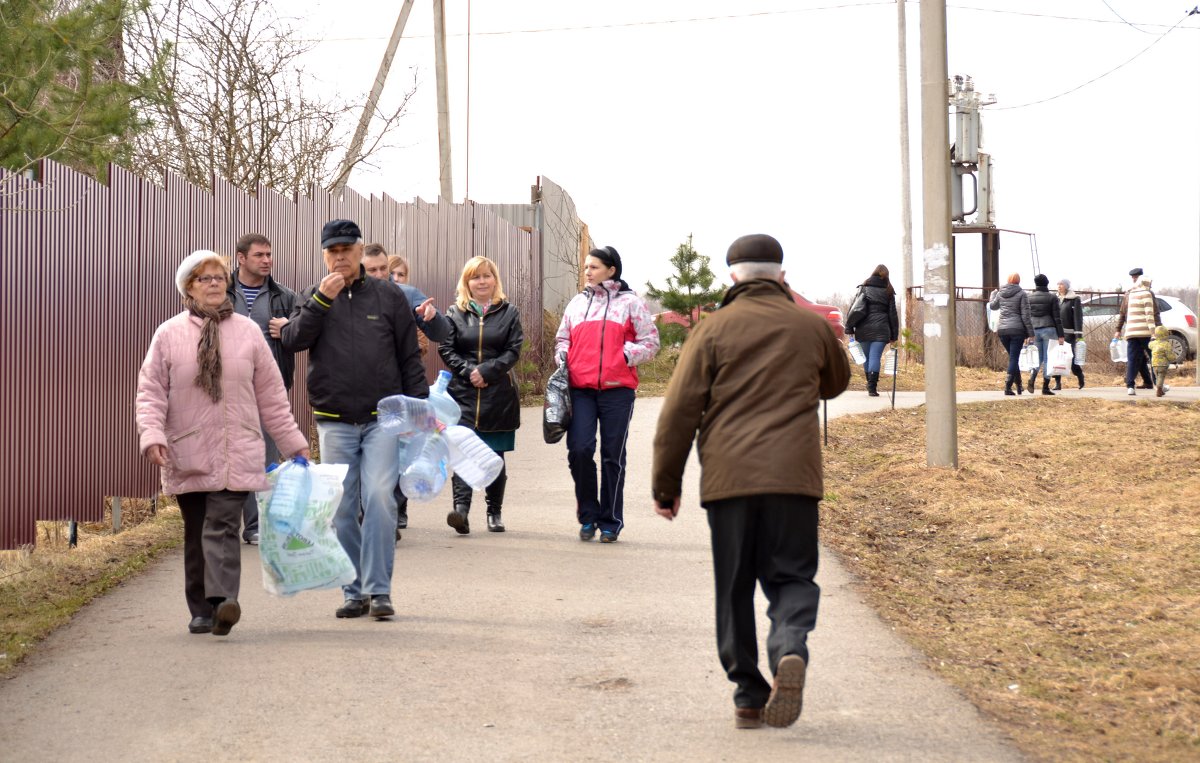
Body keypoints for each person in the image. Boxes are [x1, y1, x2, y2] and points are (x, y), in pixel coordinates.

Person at [651, 234, 850, 730]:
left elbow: (680, 411)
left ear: (732, 276)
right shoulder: (811, 326)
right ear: (782, 274)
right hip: (794, 478)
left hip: (729, 480)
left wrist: (665, 484)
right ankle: (788, 646)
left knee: (735, 585)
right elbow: (837, 383)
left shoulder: (712, 329)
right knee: (792, 576)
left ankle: (747, 692)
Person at [136, 250, 309, 637]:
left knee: (223, 525)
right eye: (204, 278)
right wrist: (152, 436)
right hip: (189, 448)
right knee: (197, 531)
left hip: (239, 449)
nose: (214, 284)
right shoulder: (168, 334)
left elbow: (272, 395)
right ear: (188, 288)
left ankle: (224, 601)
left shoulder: (248, 332)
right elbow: (150, 392)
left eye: (218, 277)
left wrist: (292, 443)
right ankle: (201, 609)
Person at [281, 220, 428, 620]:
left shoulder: (388, 295)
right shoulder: (313, 296)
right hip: (334, 419)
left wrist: (419, 409)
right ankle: (353, 590)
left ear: (361, 251)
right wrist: (320, 303)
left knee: (380, 497)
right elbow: (293, 340)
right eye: (333, 250)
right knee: (343, 507)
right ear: (324, 255)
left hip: (384, 417)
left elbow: (408, 355)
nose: (340, 256)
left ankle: (379, 590)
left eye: (347, 248)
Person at [555, 246, 660, 543]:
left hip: (618, 392)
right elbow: (562, 338)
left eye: (594, 267)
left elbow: (651, 342)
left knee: (612, 456)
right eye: (586, 267)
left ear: (611, 270)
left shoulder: (631, 303)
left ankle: (610, 520)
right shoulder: (577, 303)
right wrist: (563, 357)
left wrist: (624, 356)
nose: (587, 272)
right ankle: (588, 515)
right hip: (581, 390)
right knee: (579, 450)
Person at [362, 242, 451, 537]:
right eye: (371, 269)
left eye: (383, 269)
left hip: (399, 388)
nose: (378, 274)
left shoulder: (406, 295)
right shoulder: (350, 296)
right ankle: (375, 511)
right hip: (361, 390)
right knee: (369, 456)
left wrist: (431, 317)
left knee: (399, 452)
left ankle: (393, 510)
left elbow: (442, 332)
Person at [439, 256, 524, 534]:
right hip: (462, 396)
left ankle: (494, 512)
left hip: (498, 395)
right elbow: (446, 349)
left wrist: (487, 371)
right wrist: (468, 371)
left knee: (494, 455)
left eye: (487, 276)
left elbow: (513, 350)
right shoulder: (454, 313)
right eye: (476, 277)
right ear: (467, 283)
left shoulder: (509, 313)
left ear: (495, 280)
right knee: (463, 452)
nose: (482, 281)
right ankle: (461, 511)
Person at [227, 233, 298, 545]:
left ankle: (256, 525)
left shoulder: (285, 297)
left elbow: (304, 334)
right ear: (241, 258)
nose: (267, 260)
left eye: (269, 254)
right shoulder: (222, 292)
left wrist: (288, 329)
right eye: (259, 255)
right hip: (227, 388)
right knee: (233, 457)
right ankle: (227, 523)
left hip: (269, 387)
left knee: (265, 457)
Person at [844, 264, 898, 397]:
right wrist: (894, 334)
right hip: (881, 329)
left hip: (863, 328)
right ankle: (872, 388)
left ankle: (870, 384)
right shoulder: (889, 290)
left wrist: (849, 327)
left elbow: (854, 309)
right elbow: (893, 315)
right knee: (875, 357)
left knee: (867, 357)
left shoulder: (864, 288)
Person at [1114, 273, 1162, 396]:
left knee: (1134, 358)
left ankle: (1133, 385)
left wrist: (1119, 329)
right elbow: (1152, 314)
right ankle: (1158, 384)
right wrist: (1157, 330)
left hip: (1131, 331)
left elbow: (1122, 313)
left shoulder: (1128, 294)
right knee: (1154, 357)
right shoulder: (1148, 294)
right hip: (1145, 332)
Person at [989, 273, 1034, 396]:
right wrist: (1031, 333)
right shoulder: (1022, 294)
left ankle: (1019, 386)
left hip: (1003, 330)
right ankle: (1007, 387)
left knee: (1013, 358)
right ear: (1019, 281)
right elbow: (1026, 315)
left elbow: (993, 306)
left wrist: (992, 295)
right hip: (1017, 330)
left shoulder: (1000, 293)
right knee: (1014, 358)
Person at [1026, 274, 1065, 396]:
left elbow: (1027, 317)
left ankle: (1032, 379)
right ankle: (1045, 387)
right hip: (1049, 329)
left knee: (1038, 358)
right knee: (1049, 359)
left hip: (1034, 330)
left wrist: (1027, 333)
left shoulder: (1029, 297)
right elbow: (1057, 317)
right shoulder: (1052, 297)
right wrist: (1061, 335)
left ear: (1036, 284)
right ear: (1047, 283)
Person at [1053, 279, 1085, 390]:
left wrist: (1078, 336)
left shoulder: (1074, 299)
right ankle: (1057, 383)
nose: (1059, 286)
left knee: (1070, 359)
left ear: (1066, 286)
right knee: (1056, 359)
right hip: (1057, 334)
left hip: (1069, 334)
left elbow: (1078, 317)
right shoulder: (1055, 299)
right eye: (1058, 284)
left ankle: (1080, 376)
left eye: (1061, 284)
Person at [1148, 325, 1176, 397]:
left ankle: (1160, 389)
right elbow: (1170, 355)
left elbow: (1149, 345)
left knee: (1157, 377)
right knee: (1161, 376)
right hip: (1163, 365)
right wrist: (1173, 359)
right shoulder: (1166, 344)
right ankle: (1159, 390)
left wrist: (1152, 339)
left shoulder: (1154, 343)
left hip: (1154, 364)